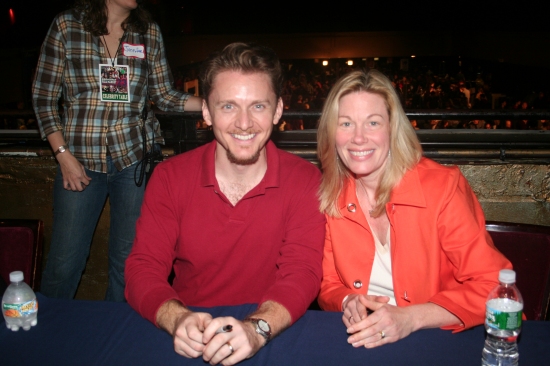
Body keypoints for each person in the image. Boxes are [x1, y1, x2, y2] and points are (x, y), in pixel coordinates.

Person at [125, 42, 325, 365]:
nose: (244, 123)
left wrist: (257, 329)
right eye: (228, 106)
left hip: (274, 332)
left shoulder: (305, 180)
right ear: (206, 111)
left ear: (277, 110)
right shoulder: (169, 177)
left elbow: (302, 274)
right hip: (193, 334)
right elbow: (142, 269)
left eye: (258, 106)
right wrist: (177, 318)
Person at [316, 70, 512, 349]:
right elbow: (329, 284)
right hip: (363, 339)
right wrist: (348, 301)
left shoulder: (442, 187)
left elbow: (495, 289)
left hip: (437, 338)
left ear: (392, 128)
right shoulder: (330, 195)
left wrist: (411, 318)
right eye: (345, 123)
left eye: (373, 122)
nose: (358, 138)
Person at [32, 0, 202, 302]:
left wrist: (215, 104)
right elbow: (44, 98)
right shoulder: (67, 25)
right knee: (65, 259)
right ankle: (48, 332)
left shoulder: (147, 31)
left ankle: (117, 331)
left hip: (133, 160)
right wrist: (63, 155)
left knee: (127, 259)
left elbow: (162, 95)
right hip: (79, 160)